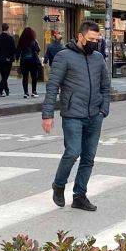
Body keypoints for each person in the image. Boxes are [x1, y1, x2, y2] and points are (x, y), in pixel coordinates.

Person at [42, 21, 110, 212]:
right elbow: (52, 87)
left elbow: (105, 86)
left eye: (97, 40)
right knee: (73, 152)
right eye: (91, 39)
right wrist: (47, 114)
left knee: (88, 157)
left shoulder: (98, 58)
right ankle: (59, 184)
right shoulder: (64, 57)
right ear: (80, 37)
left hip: (94, 115)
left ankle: (80, 196)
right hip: (72, 114)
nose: (94, 43)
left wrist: (103, 109)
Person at [17, 27, 41, 98]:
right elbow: (38, 49)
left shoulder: (21, 41)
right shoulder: (34, 41)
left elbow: (18, 51)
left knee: (25, 77)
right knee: (34, 76)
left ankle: (26, 92)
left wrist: (17, 58)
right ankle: (34, 91)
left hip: (24, 60)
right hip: (33, 60)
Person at [0, 23, 17, 98]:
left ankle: (6, 90)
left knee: (3, 75)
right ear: (8, 29)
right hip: (8, 60)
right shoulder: (11, 38)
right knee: (5, 76)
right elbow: (14, 50)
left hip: (0, 59)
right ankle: (0, 91)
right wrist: (12, 57)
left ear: (2, 29)